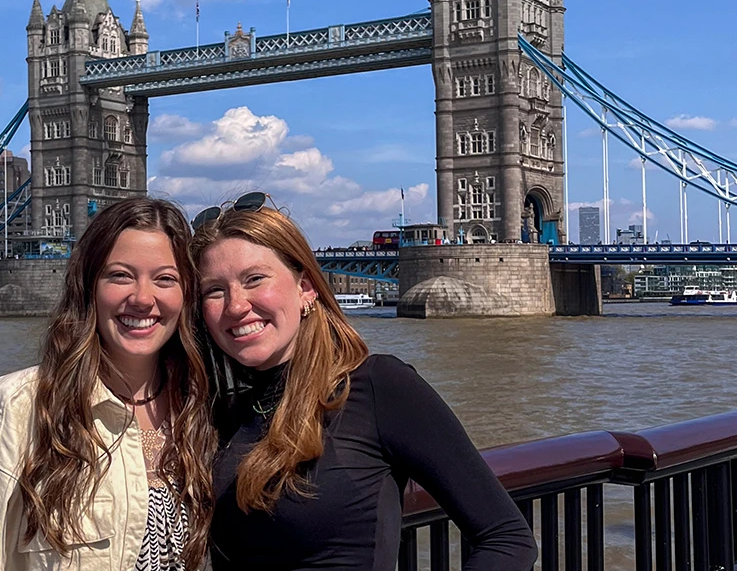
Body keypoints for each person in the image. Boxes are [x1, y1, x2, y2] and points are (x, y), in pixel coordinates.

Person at [190, 192, 538, 570]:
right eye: (214, 290)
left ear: (306, 288)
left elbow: (506, 538)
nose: (236, 305)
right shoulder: (217, 411)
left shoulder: (377, 387)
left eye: (254, 279)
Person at [0, 197, 216, 570]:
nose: (143, 298)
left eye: (165, 279)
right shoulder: (21, 404)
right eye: (120, 275)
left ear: (186, 294)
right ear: (89, 287)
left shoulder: (200, 405)